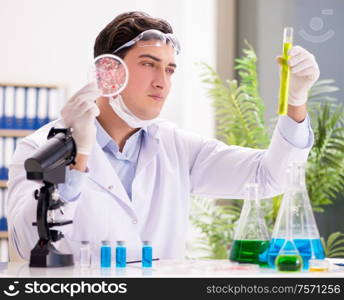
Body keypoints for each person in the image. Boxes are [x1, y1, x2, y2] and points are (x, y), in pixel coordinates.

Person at [7, 11, 319, 262]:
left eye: (169, 69)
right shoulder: (40, 149)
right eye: (148, 64)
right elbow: (28, 243)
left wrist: (296, 104)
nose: (162, 82)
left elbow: (268, 177)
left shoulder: (176, 146)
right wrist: (81, 158)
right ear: (107, 71)